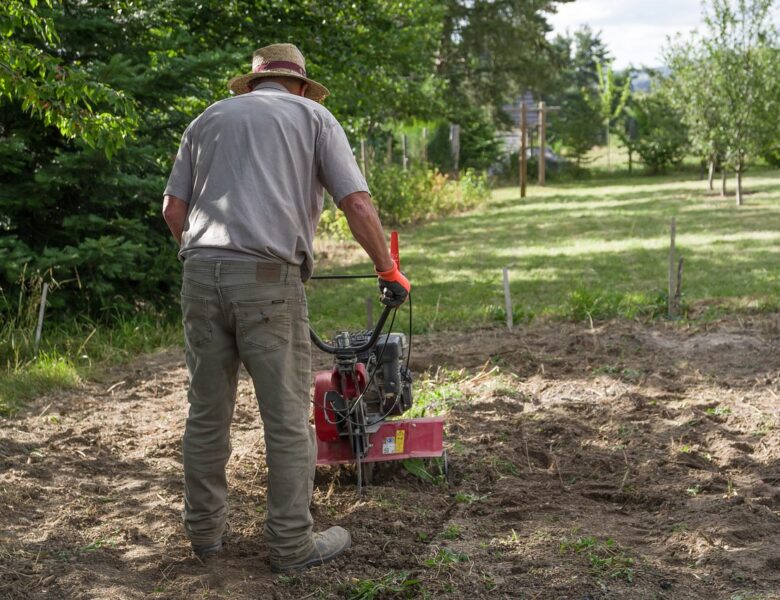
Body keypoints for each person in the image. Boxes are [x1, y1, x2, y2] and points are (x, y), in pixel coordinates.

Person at [161, 43, 410, 572]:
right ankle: (291, 545)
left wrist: (207, 258)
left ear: (254, 83)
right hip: (269, 279)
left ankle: (203, 537)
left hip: (199, 274)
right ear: (299, 84)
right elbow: (357, 203)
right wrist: (387, 269)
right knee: (287, 420)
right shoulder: (313, 117)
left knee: (206, 414)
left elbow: (173, 209)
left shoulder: (206, 120)